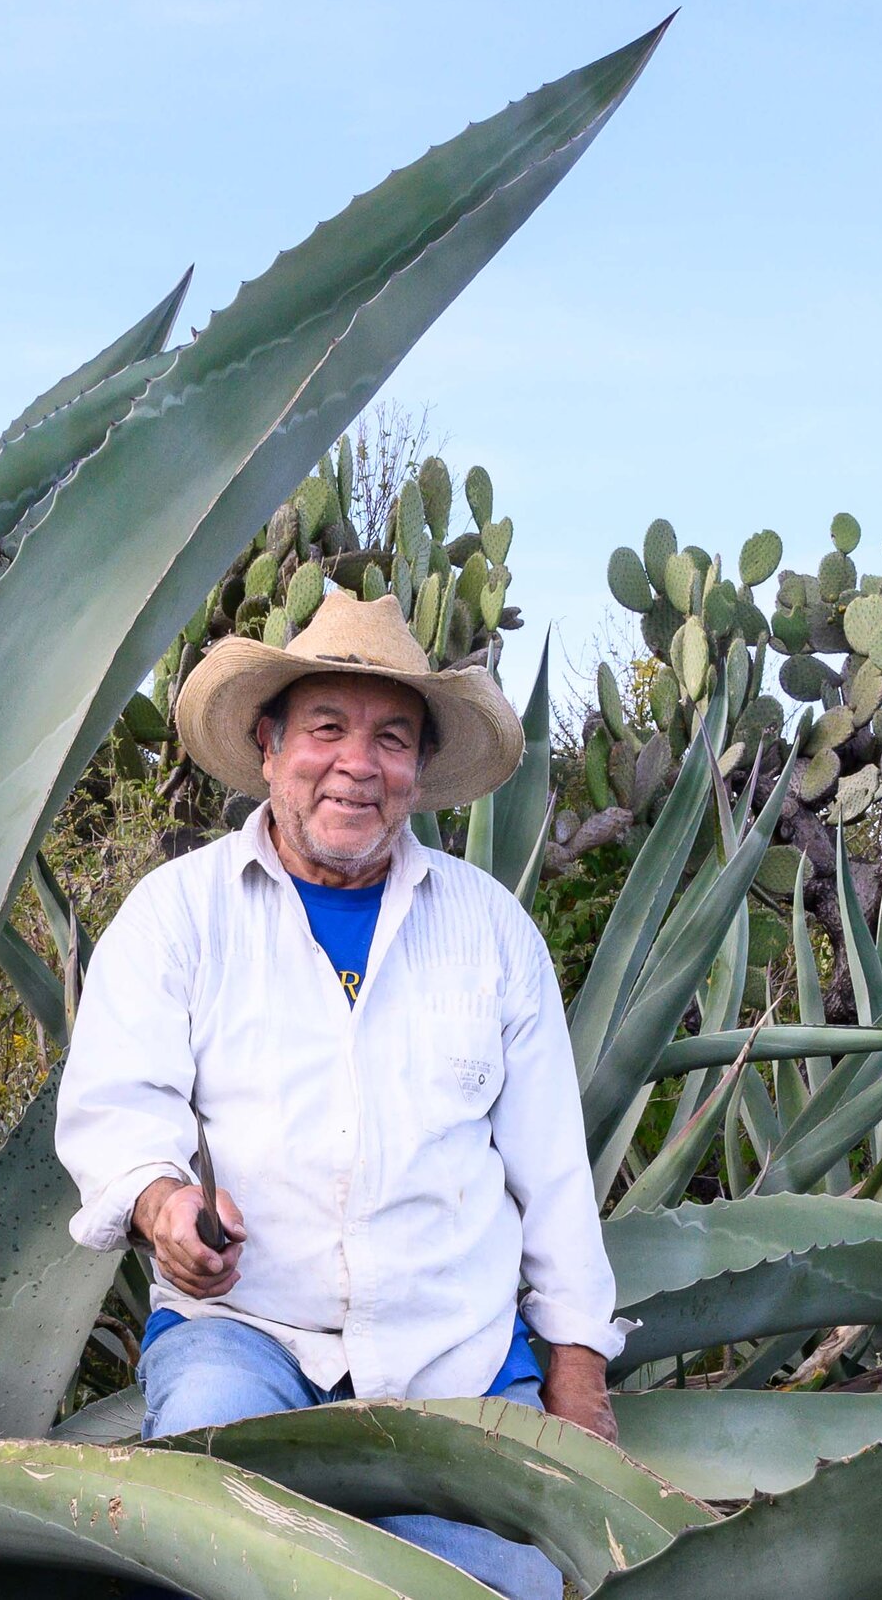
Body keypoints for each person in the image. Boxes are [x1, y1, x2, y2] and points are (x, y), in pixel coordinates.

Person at [54, 591, 630, 1600]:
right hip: (247, 1336)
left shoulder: (492, 933)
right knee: (211, 1558)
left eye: (392, 738)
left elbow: (551, 1174)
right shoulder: (178, 916)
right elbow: (117, 1106)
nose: (357, 763)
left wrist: (577, 1382)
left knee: (502, 1587)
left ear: (417, 771)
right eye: (327, 727)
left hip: (455, 1356)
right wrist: (166, 1206)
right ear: (270, 745)